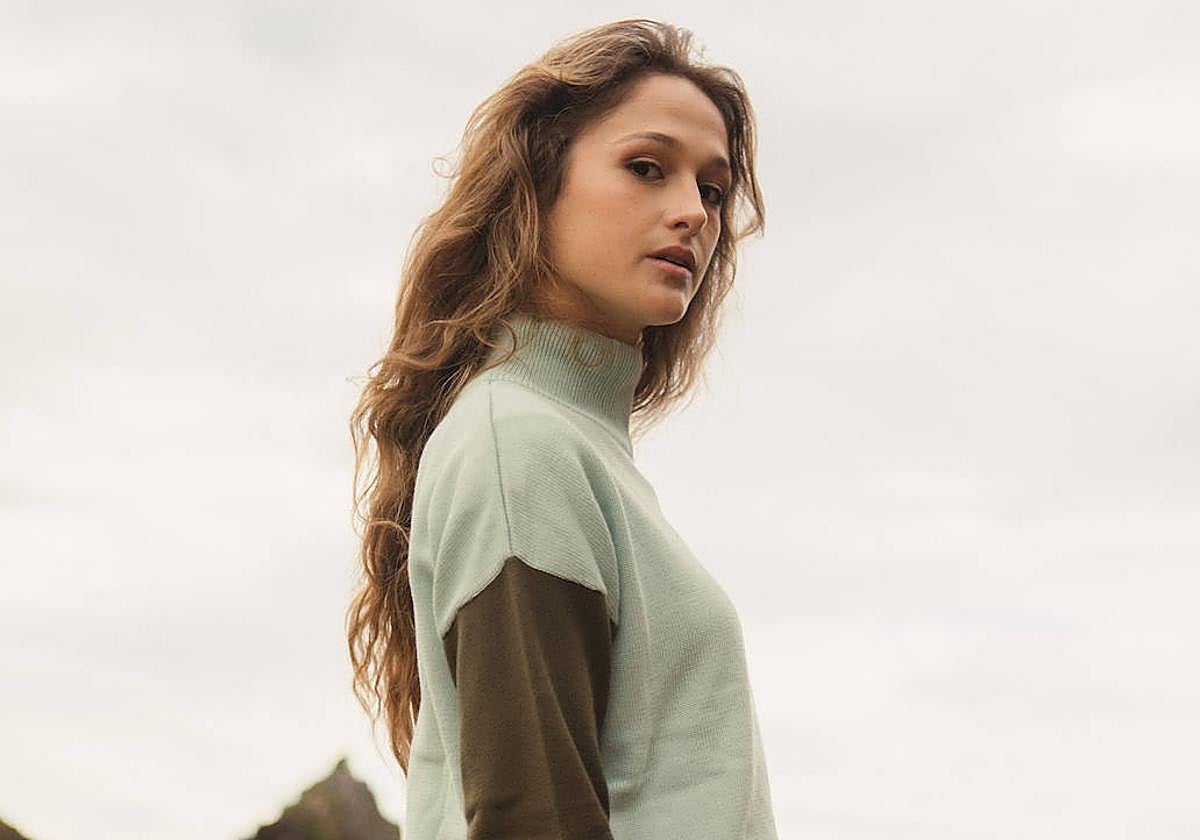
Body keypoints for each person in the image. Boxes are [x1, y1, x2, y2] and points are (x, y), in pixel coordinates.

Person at [347, 17, 777, 839]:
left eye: (713, 190)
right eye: (646, 168)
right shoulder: (521, 443)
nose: (692, 212)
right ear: (537, 183)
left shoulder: (573, 446)